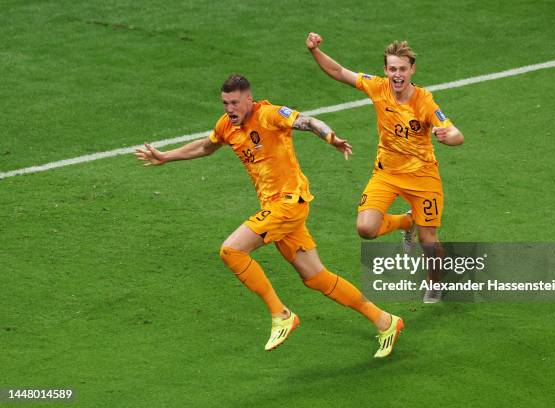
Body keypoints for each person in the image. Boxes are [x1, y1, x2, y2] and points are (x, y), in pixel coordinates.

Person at [135, 74, 403, 357]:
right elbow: (205, 147)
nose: (229, 108)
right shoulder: (226, 126)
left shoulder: (270, 114)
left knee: (231, 250)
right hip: (275, 209)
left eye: (235, 102)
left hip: (289, 202)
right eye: (225, 103)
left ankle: (281, 314)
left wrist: (331, 137)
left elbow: (308, 122)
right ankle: (385, 321)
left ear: (248, 98)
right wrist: (166, 156)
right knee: (316, 277)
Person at [305, 33, 464, 303]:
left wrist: (451, 137)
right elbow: (338, 71)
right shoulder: (377, 87)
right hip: (386, 174)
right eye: (392, 69)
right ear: (385, 70)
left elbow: (454, 132)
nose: (397, 75)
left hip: (422, 177)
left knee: (429, 242)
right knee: (366, 229)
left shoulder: (424, 101)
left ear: (412, 69)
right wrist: (314, 51)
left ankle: (435, 283)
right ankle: (406, 221)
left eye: (402, 69)